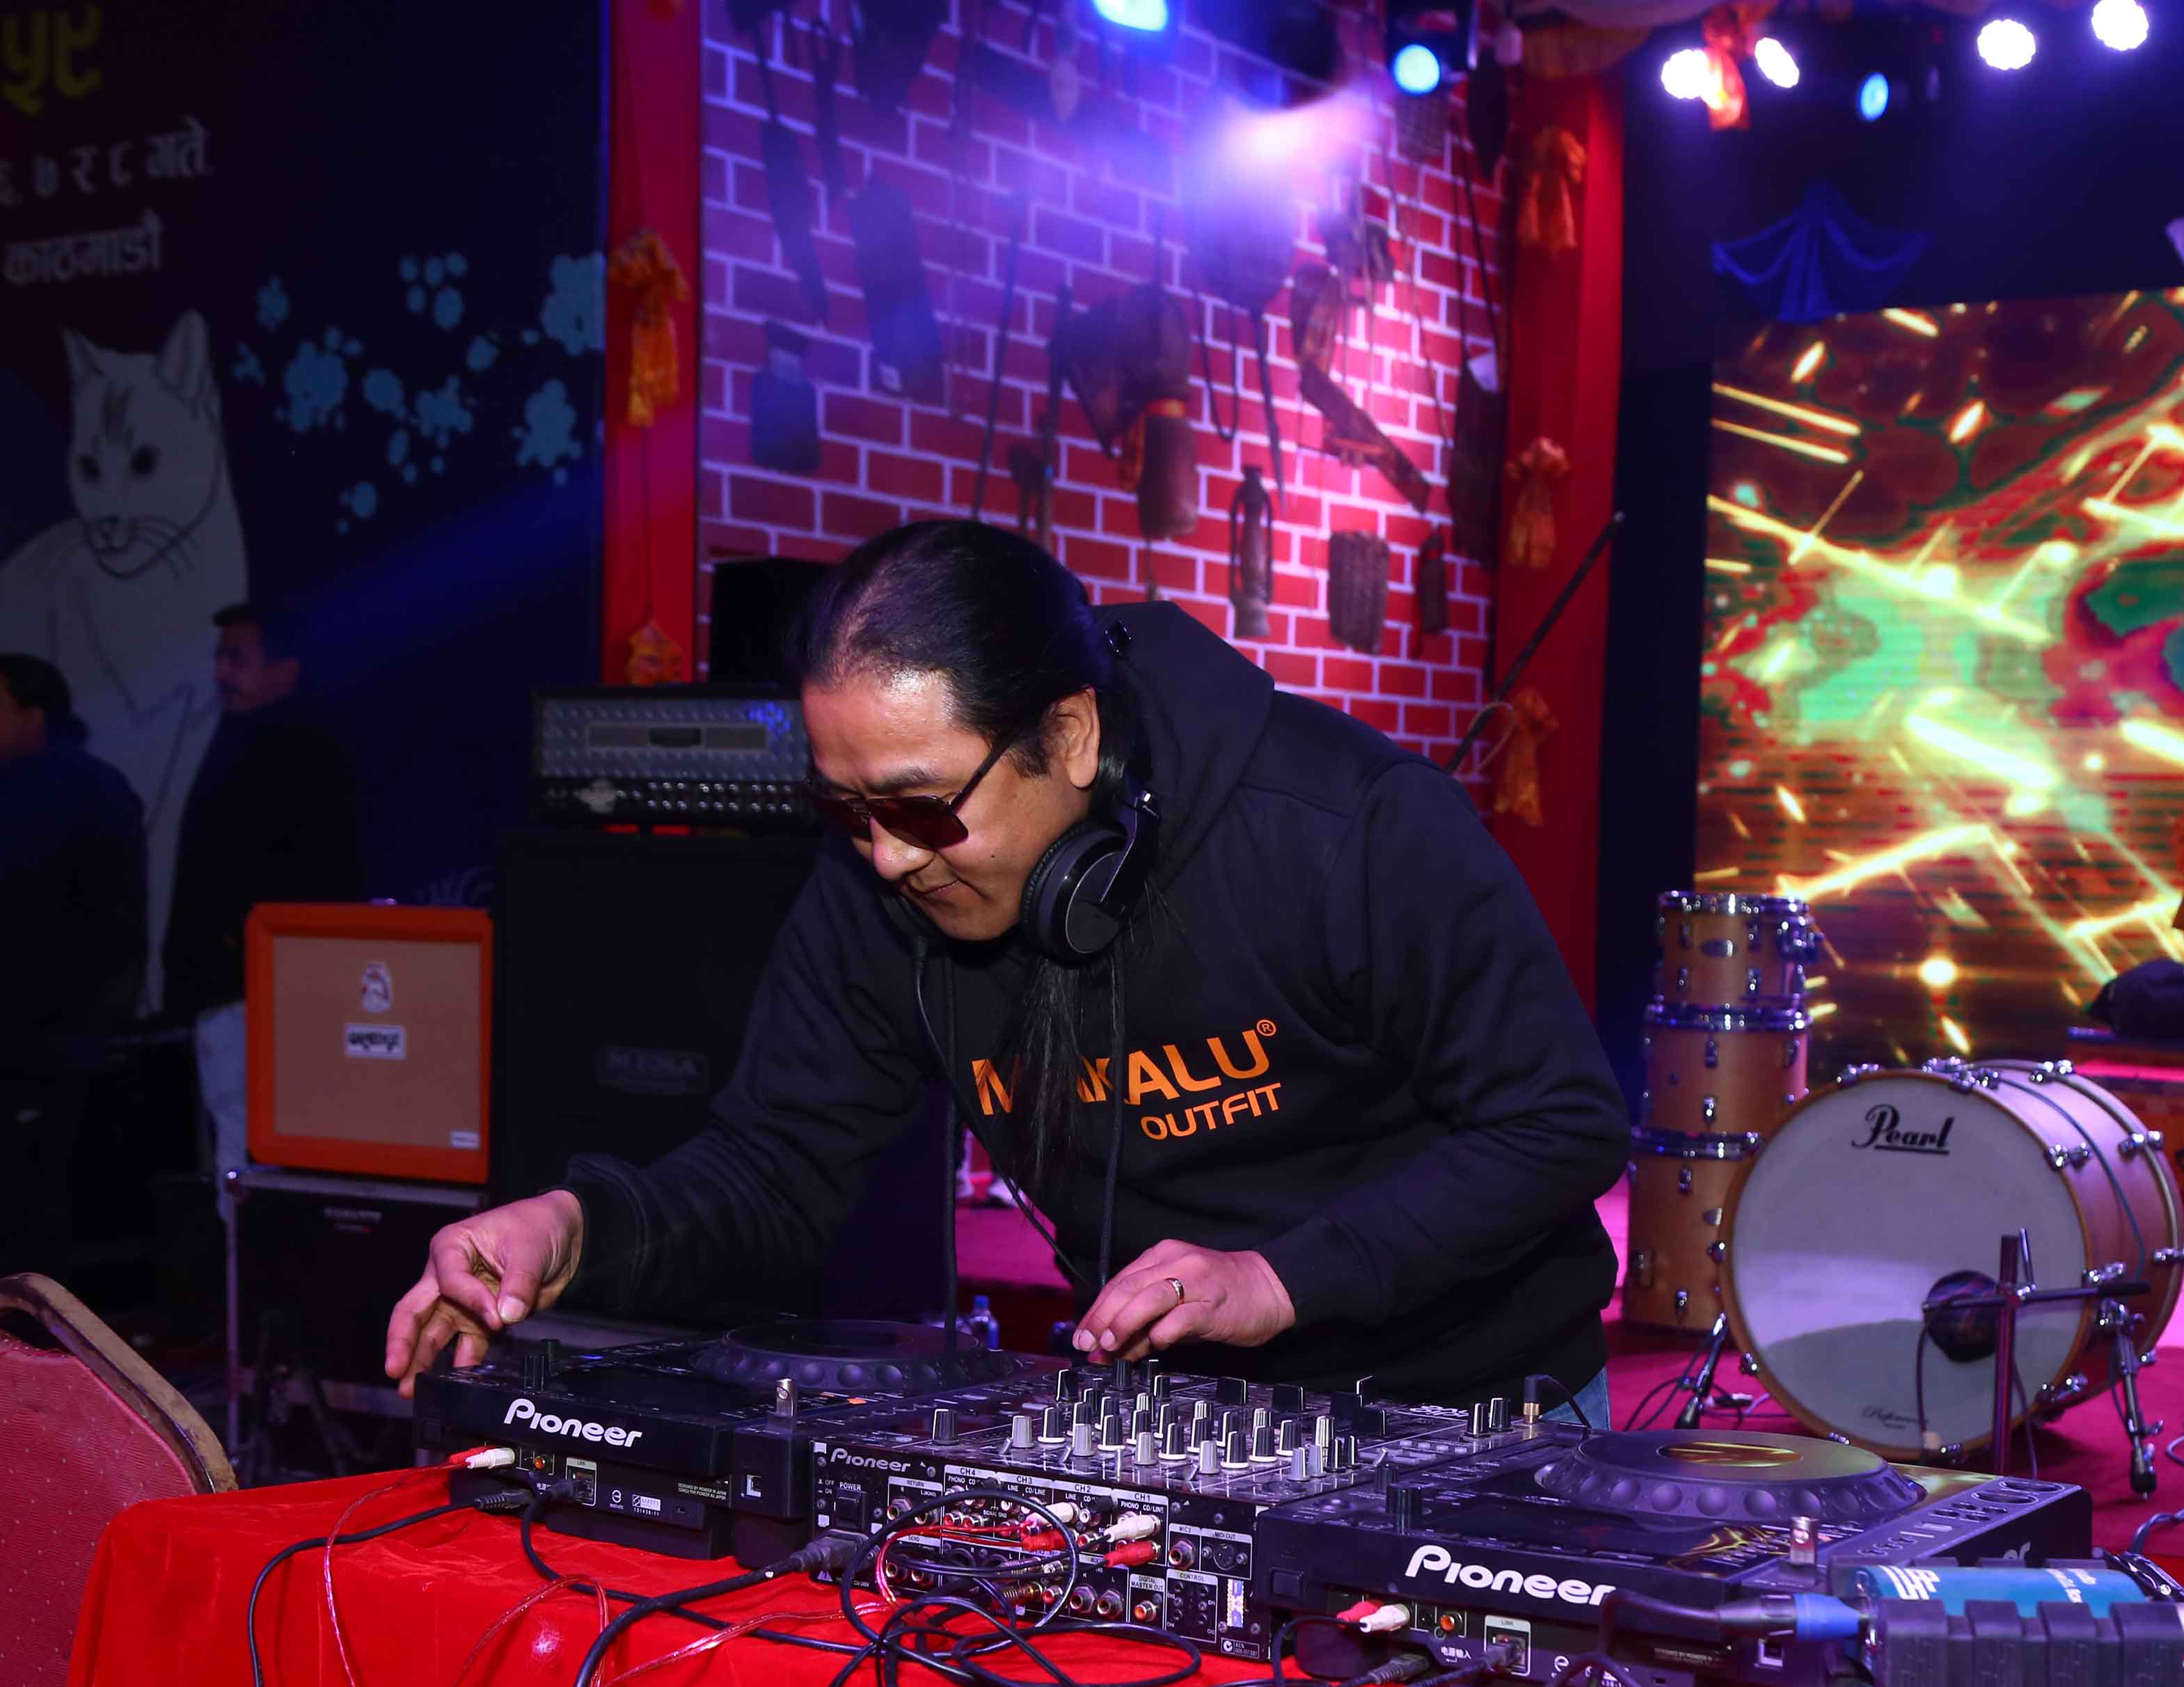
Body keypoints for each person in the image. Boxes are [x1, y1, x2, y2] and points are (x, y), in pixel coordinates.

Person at [386, 521, 1630, 1413]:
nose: (884, 857)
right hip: (1171, 1418)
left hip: (1471, 1405)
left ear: (1070, 736)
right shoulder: (885, 878)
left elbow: (1558, 1125)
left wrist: (1280, 1278)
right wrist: (578, 1226)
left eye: (921, 806)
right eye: (845, 810)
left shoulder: (1343, 826)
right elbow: (776, 1165)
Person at [163, 603, 360, 1191]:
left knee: (248, 1147)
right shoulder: (244, 739)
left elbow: (309, 874)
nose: (221, 673)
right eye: (220, 658)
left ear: (285, 669)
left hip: (259, 991)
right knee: (239, 1141)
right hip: (236, 987)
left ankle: (247, 1250)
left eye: (237, 659)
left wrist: (234, 947)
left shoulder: (298, 750)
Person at [0, 652, 146, 1273]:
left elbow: (74, 919)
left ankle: (34, 1321)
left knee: (33, 1202)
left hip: (43, 1039)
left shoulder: (66, 793)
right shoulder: (78, 786)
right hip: (54, 1033)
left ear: (34, 716)